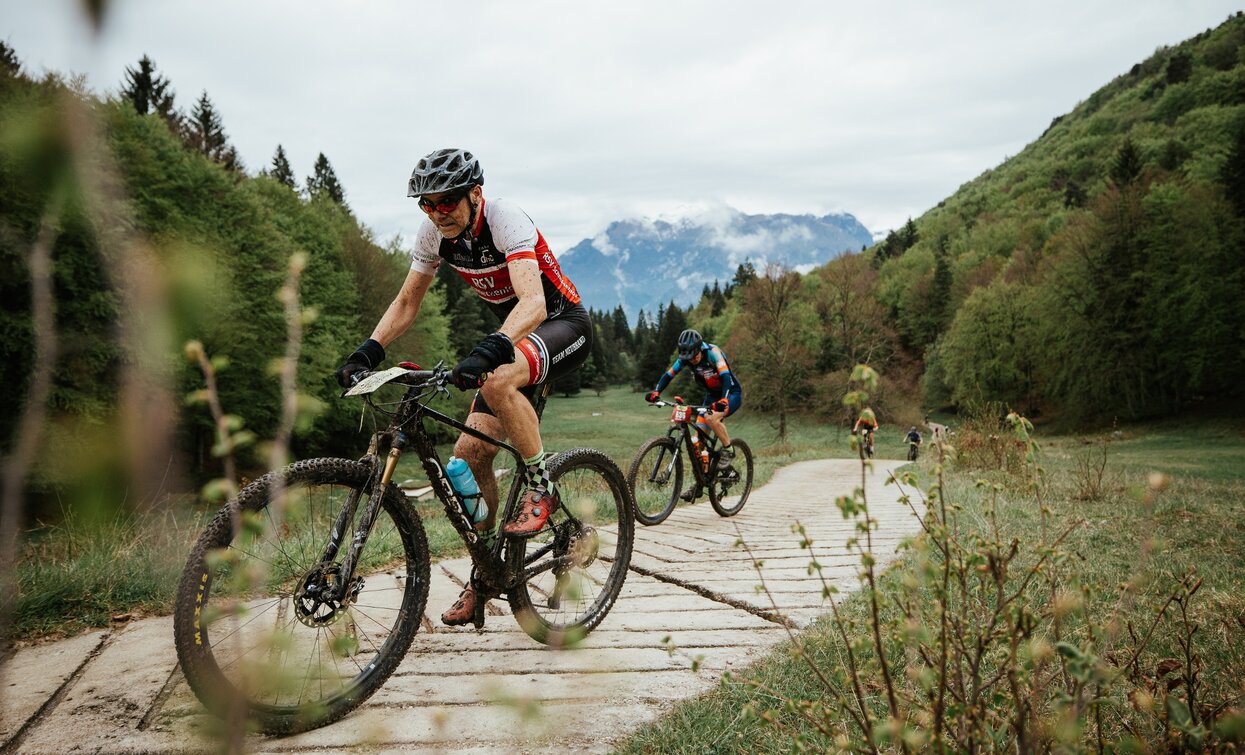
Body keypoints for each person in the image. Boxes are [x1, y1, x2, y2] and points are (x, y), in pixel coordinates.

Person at [334, 148, 591, 625]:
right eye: (426, 204)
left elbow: (534, 303)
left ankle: (541, 487)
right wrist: (369, 349)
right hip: (513, 337)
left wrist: (491, 347)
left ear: (475, 194)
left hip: (561, 325)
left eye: (446, 201)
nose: (437, 212)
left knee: (496, 380)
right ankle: (487, 573)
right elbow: (408, 300)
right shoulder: (435, 234)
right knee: (469, 456)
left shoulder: (505, 221)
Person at [645, 329, 742, 497]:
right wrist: (657, 391)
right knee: (697, 442)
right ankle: (700, 483)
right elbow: (669, 374)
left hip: (730, 394)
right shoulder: (686, 358)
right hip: (711, 397)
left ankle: (729, 449)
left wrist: (724, 400)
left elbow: (726, 377)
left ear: (700, 348)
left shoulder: (713, 353)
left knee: (713, 419)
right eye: (688, 357)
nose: (692, 360)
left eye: (694, 356)